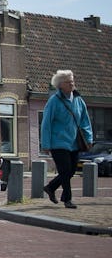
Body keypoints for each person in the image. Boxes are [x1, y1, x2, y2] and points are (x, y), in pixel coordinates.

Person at [41, 70, 93, 209]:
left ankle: (51, 187)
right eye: (68, 82)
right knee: (65, 171)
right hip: (58, 143)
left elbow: (85, 121)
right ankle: (67, 199)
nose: (72, 84)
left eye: (72, 81)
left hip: (74, 142)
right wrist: (45, 144)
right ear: (60, 85)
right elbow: (46, 123)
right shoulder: (54, 101)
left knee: (71, 171)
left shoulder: (78, 100)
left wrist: (89, 138)